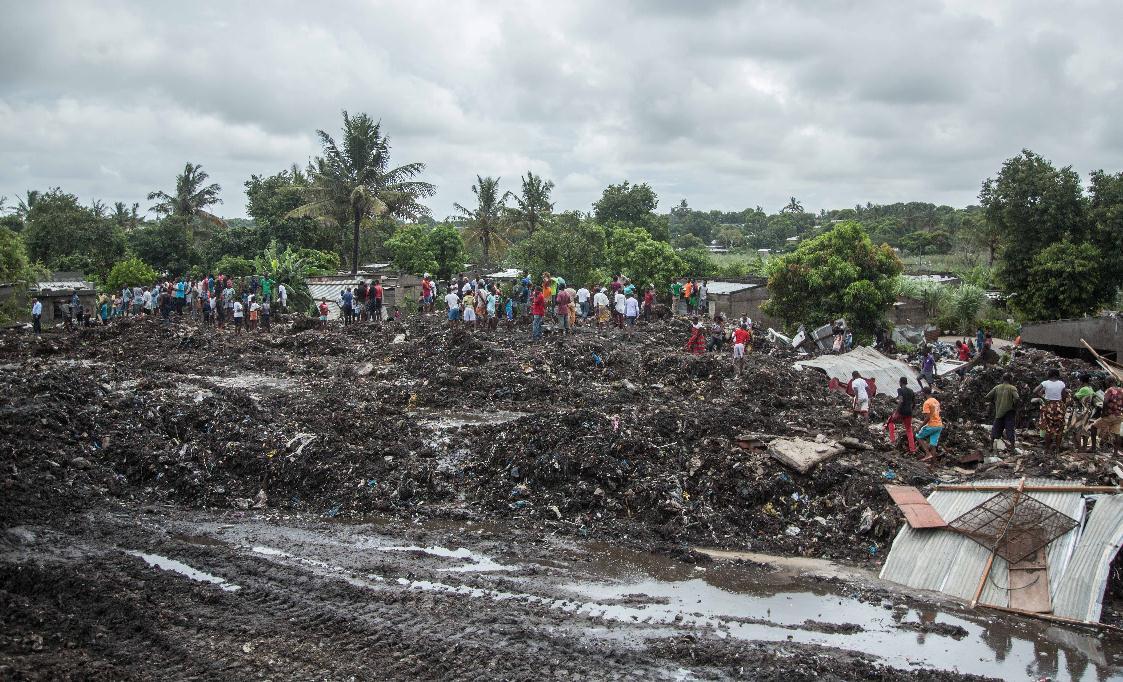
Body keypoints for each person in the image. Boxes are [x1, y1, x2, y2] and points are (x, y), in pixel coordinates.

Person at [1034, 368, 1069, 456]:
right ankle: (1057, 449)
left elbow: (1035, 391)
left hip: (1048, 405)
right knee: (1059, 428)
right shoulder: (1061, 383)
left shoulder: (1045, 383)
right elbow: (1064, 396)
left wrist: (1043, 397)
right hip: (1059, 406)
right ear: (1057, 375)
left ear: (1050, 374)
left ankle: (1047, 450)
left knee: (1048, 429)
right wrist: (1063, 405)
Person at [986, 373, 1020, 451]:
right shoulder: (1012, 388)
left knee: (995, 429)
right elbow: (1017, 398)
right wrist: (1015, 406)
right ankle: (1012, 447)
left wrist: (994, 402)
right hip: (1009, 412)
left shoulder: (997, 387)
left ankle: (991, 446)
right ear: (1010, 379)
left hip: (999, 412)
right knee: (1010, 429)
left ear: (1003, 379)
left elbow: (987, 396)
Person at [886, 377, 917, 453]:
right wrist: (911, 409)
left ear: (901, 382)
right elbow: (914, 402)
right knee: (909, 430)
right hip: (909, 412)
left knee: (890, 421)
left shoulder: (900, 390)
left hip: (901, 411)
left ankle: (892, 441)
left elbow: (900, 401)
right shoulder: (911, 391)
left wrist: (896, 412)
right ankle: (912, 449)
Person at [1093, 378, 1123, 457]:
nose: (1105, 383)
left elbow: (1105, 401)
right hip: (1119, 416)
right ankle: (1115, 453)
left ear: (1109, 382)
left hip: (1109, 415)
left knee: (1093, 427)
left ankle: (1093, 448)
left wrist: (1103, 413)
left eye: (1106, 381)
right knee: (1117, 434)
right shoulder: (1122, 390)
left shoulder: (1109, 390)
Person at [1071, 374, 1098, 452]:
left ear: (1081, 381)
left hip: (1080, 411)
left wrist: (1077, 390)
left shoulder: (1083, 389)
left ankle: (1079, 449)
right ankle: (1084, 448)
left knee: (1077, 430)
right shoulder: (1090, 388)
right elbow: (1094, 396)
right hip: (1088, 411)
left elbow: (1075, 397)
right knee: (1085, 430)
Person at [917, 386, 943, 462]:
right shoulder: (936, 401)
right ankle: (933, 464)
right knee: (933, 445)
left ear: (924, 393)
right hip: (939, 425)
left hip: (932, 425)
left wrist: (920, 427)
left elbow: (928, 417)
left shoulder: (927, 403)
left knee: (918, 436)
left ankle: (927, 454)